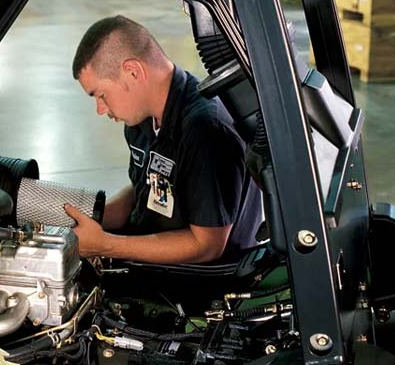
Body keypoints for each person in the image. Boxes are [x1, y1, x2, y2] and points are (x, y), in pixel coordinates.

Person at [63, 15, 261, 264]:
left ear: (133, 71)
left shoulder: (205, 129)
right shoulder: (139, 120)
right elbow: (145, 191)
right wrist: (86, 218)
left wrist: (106, 245)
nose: (100, 109)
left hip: (200, 285)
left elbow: (208, 246)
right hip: (150, 257)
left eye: (101, 95)